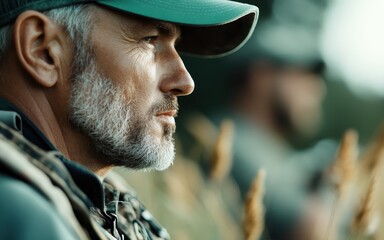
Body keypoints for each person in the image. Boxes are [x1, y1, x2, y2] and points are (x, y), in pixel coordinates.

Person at [0, 1, 258, 239]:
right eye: (150, 40)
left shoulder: (101, 200)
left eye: (175, 46)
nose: (185, 82)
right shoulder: (21, 211)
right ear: (43, 50)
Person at [210, 20, 337, 239]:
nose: (318, 89)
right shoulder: (226, 143)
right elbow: (310, 230)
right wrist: (331, 190)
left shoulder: (267, 147)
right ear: (261, 75)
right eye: (303, 73)